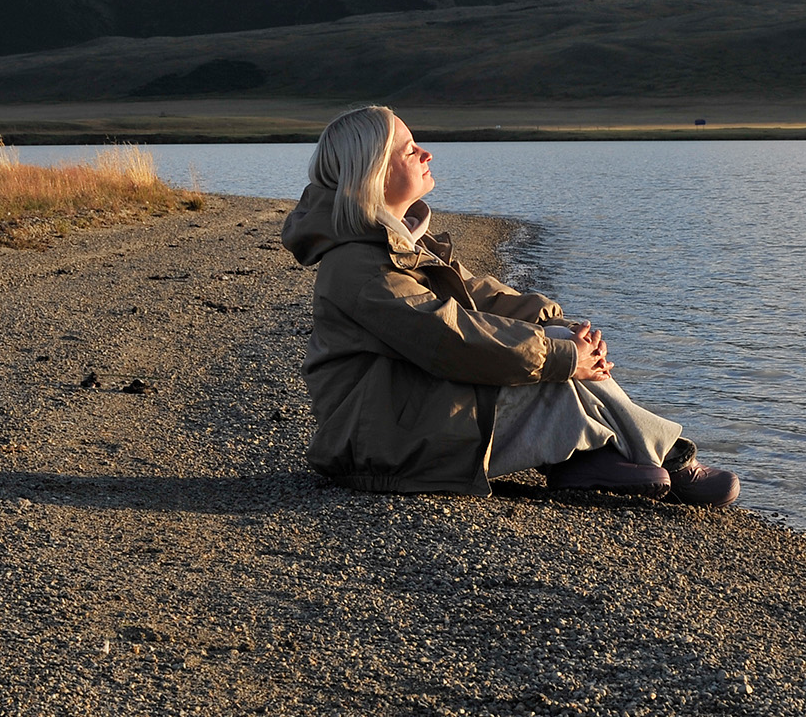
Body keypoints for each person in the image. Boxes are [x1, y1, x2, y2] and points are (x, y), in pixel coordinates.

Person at [279, 105, 740, 504]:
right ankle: (657, 457)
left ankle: (599, 456)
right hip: (380, 442)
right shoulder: (358, 267)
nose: (426, 154)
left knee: (559, 345)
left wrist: (559, 324)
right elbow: (448, 337)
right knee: (552, 358)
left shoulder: (389, 241)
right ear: (372, 172)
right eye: (409, 149)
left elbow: (474, 294)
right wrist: (562, 354)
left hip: (405, 412)